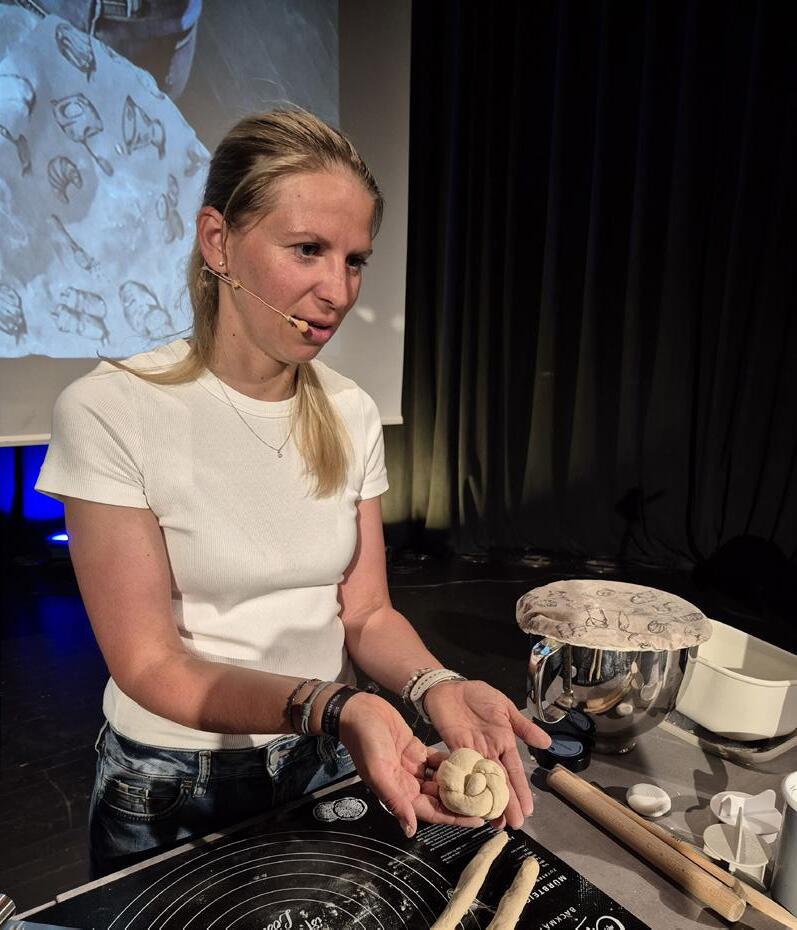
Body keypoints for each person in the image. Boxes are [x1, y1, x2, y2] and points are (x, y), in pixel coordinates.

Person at [36, 109, 551, 877]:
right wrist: (337, 706)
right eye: (308, 250)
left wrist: (435, 684)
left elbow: (365, 613)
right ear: (218, 242)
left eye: (354, 260)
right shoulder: (113, 408)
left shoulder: (349, 410)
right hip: (177, 784)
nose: (337, 291)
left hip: (326, 754)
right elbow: (149, 663)